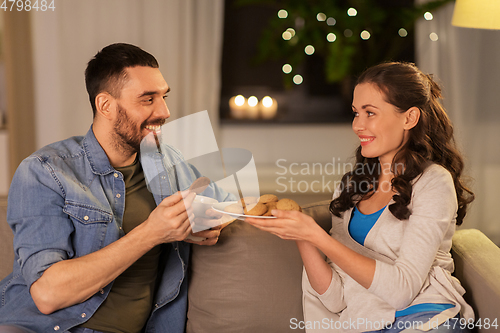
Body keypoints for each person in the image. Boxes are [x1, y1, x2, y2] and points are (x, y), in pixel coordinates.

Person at [0, 43, 233, 333]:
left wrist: (210, 220)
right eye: (148, 99)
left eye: (164, 96)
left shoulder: (166, 160)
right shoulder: (45, 171)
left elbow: (229, 206)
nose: (165, 111)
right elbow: (48, 295)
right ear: (105, 105)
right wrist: (152, 233)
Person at [246, 62, 475, 333]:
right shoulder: (351, 188)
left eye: (370, 113)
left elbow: (403, 291)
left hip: (425, 319)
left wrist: (320, 237)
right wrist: (304, 236)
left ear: (409, 118)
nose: (358, 125)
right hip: (366, 322)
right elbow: (334, 300)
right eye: (356, 113)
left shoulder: (433, 182)